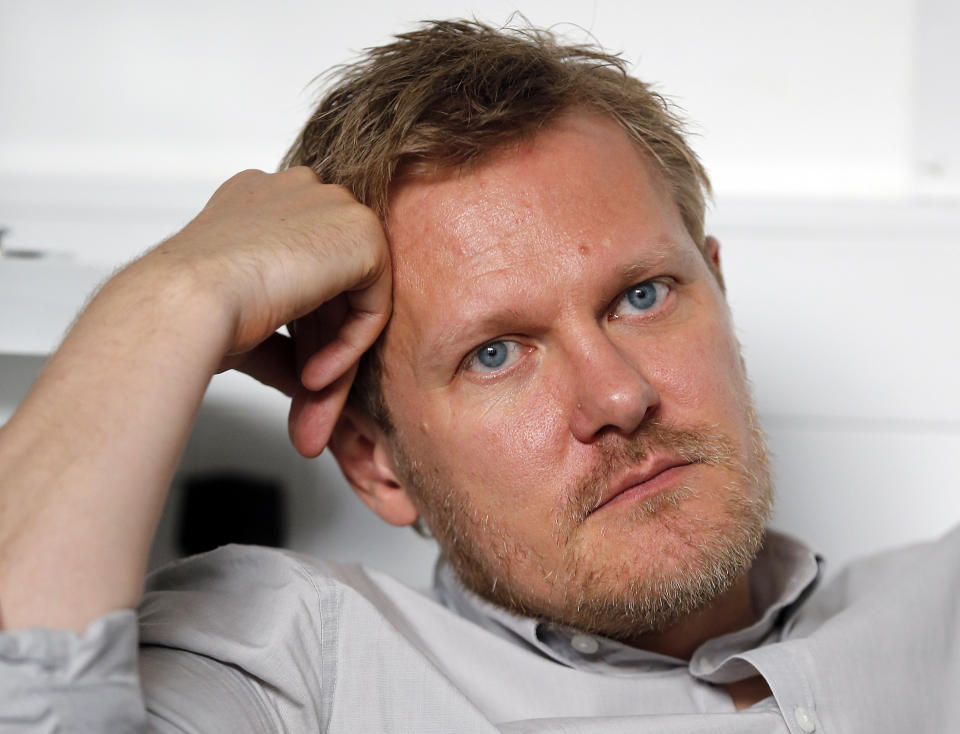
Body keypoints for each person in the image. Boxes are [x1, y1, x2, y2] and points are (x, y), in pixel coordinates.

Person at [0, 18, 956, 734]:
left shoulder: (936, 614)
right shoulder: (300, 674)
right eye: (494, 354)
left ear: (719, 286)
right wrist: (171, 294)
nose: (619, 398)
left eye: (644, 295)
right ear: (378, 464)